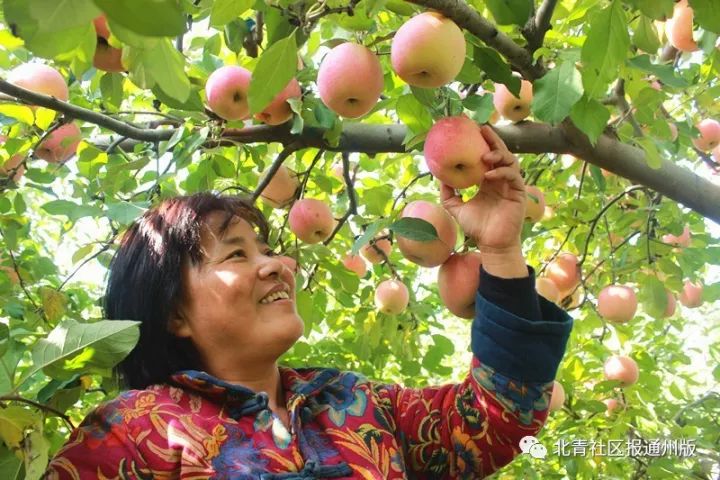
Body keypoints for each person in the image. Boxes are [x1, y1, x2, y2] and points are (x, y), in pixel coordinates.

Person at [44, 126, 573, 479]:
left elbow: (498, 418)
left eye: (270, 249)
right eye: (235, 254)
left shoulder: (357, 405)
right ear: (173, 313)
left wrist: (501, 248)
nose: (280, 265)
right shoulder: (129, 433)